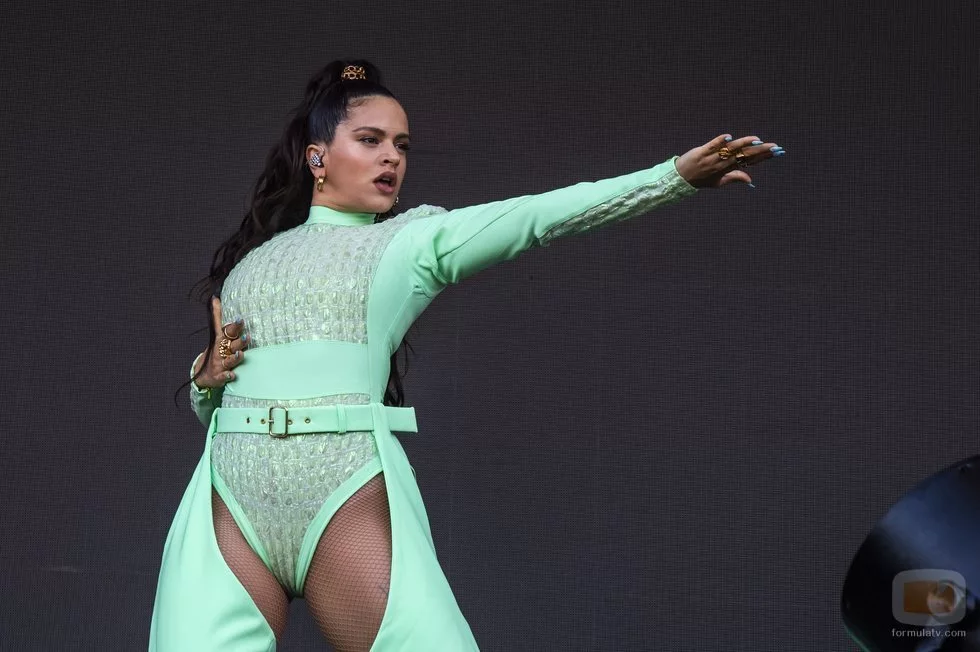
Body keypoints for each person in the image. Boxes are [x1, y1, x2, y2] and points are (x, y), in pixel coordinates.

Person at [148, 59, 785, 652]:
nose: (392, 157)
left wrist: (670, 180)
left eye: (401, 146)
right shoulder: (253, 263)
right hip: (232, 499)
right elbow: (219, 401)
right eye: (370, 140)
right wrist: (204, 379)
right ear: (318, 156)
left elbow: (536, 218)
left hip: (340, 490)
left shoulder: (411, 241)